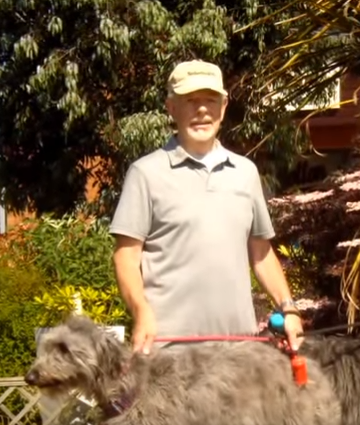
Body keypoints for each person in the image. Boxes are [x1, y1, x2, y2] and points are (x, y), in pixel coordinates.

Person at [109, 59, 304, 355]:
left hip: (239, 351)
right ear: (171, 108)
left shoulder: (245, 173)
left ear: (223, 107)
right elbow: (126, 257)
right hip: (169, 352)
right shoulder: (145, 174)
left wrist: (288, 308)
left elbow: (262, 253)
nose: (202, 110)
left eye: (210, 100)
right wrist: (141, 311)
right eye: (191, 100)